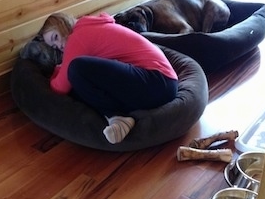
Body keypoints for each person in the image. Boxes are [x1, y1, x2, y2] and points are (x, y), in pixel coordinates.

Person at [38, 12, 178, 144]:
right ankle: (119, 116)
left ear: (62, 24)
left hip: (157, 81)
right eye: (54, 46)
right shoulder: (91, 27)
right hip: (161, 84)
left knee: (76, 68)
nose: (58, 46)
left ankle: (116, 116)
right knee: (78, 82)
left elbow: (59, 87)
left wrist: (57, 69)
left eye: (55, 37)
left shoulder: (78, 37)